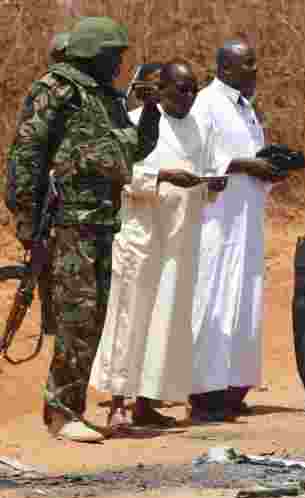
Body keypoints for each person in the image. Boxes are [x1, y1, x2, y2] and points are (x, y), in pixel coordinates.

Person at [7, 16, 160, 442]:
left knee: (93, 318)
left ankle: (69, 408)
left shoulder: (105, 96)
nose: (118, 64)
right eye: (113, 55)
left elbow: (136, 148)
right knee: (75, 316)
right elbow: (27, 157)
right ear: (93, 53)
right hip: (66, 221)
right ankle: (60, 413)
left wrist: (150, 108)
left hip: (102, 221)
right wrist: (27, 225)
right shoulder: (57, 89)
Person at [89, 61, 226, 429]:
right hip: (142, 234)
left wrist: (212, 184)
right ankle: (118, 402)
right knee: (130, 315)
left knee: (168, 320)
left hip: (180, 238)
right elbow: (119, 172)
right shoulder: (134, 121)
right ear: (161, 88)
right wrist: (164, 176)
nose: (189, 96)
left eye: (194, 89)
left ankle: (147, 403)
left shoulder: (202, 126)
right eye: (182, 89)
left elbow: (208, 168)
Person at [189, 39, 285, 422]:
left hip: (247, 220)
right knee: (213, 300)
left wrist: (270, 166)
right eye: (248, 63)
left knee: (244, 300)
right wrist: (245, 166)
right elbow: (201, 159)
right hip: (217, 221)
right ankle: (204, 392)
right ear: (225, 68)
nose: (255, 70)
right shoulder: (207, 103)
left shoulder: (246, 109)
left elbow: (251, 157)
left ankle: (232, 389)